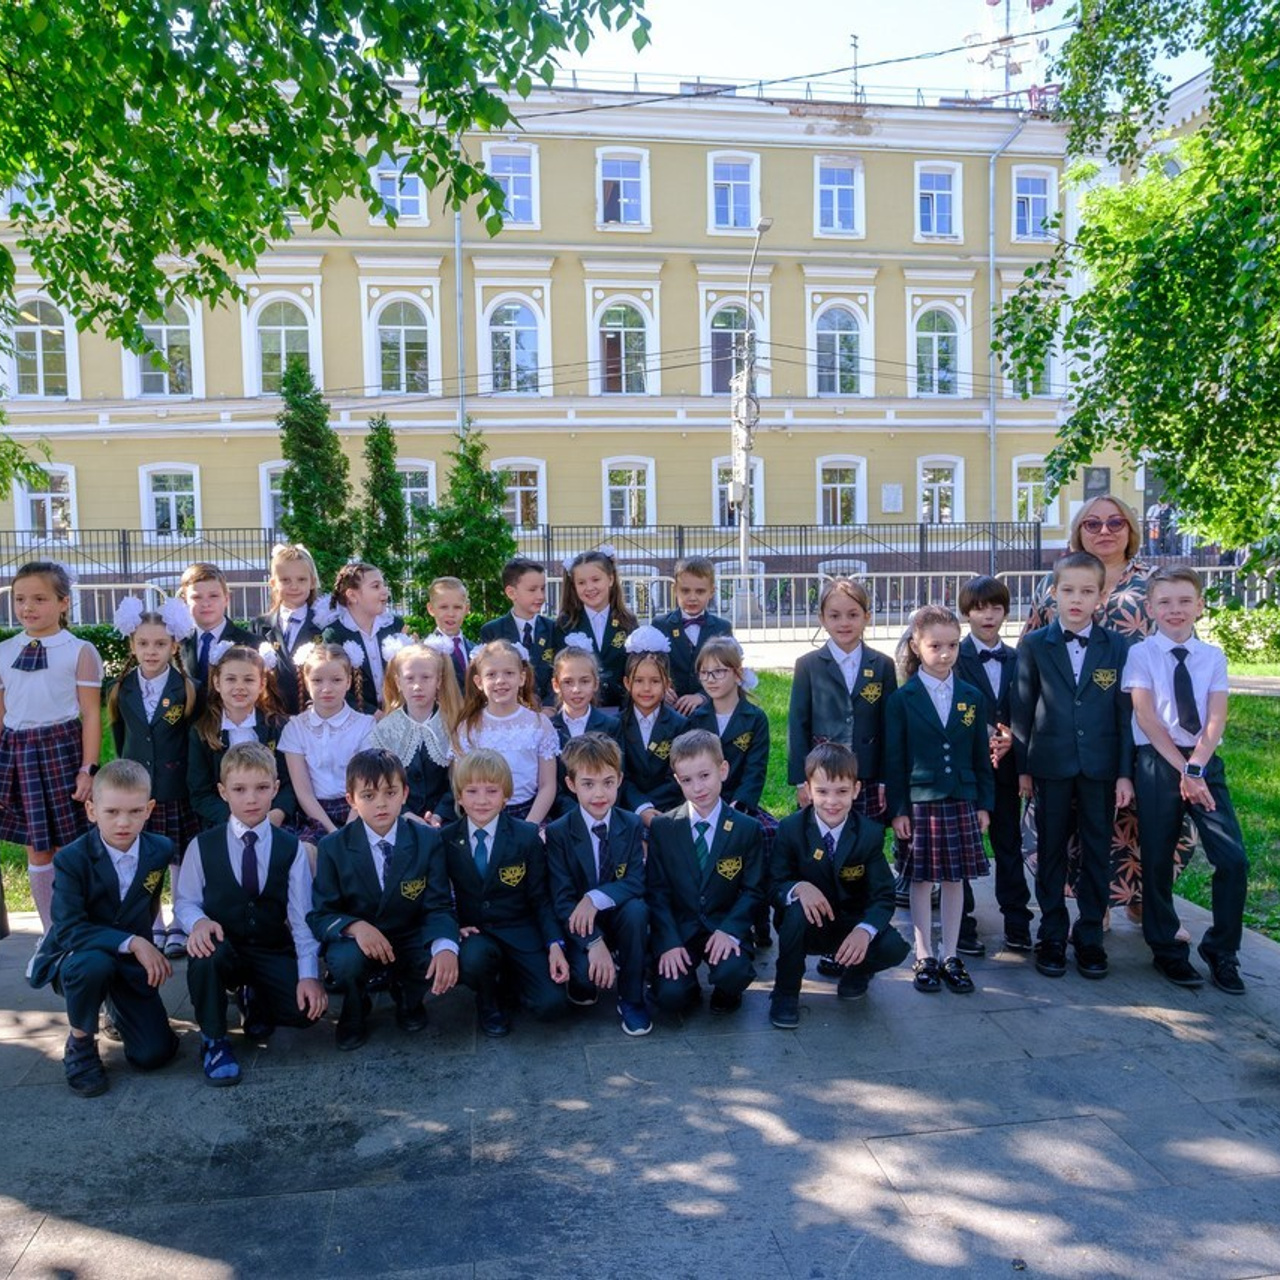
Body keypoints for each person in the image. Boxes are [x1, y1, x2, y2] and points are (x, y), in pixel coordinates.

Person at [1022, 493, 1186, 919]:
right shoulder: (1053, 582)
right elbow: (1031, 647)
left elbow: (1179, 643)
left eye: (1115, 523)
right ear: (1079, 531)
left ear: (1130, 529)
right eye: (1092, 524)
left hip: (1142, 714)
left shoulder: (1153, 580)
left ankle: (1141, 901)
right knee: (1077, 817)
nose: (1105, 531)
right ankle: (1096, 908)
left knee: (1140, 810)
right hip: (1068, 722)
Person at [1124, 567, 1248, 994]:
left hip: (1203, 762)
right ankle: (1166, 948)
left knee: (1233, 859)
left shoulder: (1212, 656)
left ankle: (1222, 950)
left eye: (1183, 601)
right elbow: (1146, 716)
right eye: (1164, 602)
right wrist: (1181, 769)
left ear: (1199, 605)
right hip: (1158, 763)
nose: (1174, 610)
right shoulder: (1141, 654)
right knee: (1157, 858)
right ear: (1150, 608)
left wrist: (1196, 769)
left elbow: (1215, 717)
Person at [1012, 551, 1135, 981]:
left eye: (1087, 591)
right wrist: (1023, 768)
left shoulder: (1117, 646)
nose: (1076, 599)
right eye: (1068, 591)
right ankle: (1050, 932)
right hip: (1050, 764)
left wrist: (1123, 772)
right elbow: (1022, 708)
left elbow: (1124, 714)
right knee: (1051, 852)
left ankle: (1089, 937)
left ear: (1102, 596)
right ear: (1054, 593)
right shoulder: (1033, 644)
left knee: (1097, 850)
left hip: (1101, 768)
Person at [175, 743, 328, 1085]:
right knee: (204, 955)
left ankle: (254, 994)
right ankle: (214, 1040)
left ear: (275, 788)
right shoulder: (202, 845)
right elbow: (184, 901)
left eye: (261, 788)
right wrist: (197, 923)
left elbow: (302, 917)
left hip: (269, 947)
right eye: (240, 790)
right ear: (223, 792)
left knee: (304, 1014)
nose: (251, 799)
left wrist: (308, 975)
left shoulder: (291, 848)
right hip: (223, 946)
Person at [28, 760, 180, 1096]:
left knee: (154, 1054)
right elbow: (68, 929)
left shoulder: (160, 850)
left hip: (126, 960)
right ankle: (81, 1043)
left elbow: (146, 904)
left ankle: (118, 1006)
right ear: (92, 810)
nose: (123, 822)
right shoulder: (71, 859)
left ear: (149, 809)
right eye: (111, 812)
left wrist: (138, 948)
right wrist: (137, 943)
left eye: (134, 811)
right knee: (94, 964)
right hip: (80, 954)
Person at [308, 749, 460, 1050]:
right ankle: (355, 1007)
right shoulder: (333, 847)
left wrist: (446, 946)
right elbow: (321, 914)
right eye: (368, 795)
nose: (381, 803)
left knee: (438, 953)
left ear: (404, 794)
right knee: (346, 962)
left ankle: (408, 997)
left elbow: (439, 904)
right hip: (357, 940)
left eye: (390, 792)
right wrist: (355, 927)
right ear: (351, 799)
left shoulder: (426, 840)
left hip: (407, 933)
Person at [885, 606, 995, 996]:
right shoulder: (903, 699)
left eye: (952, 645)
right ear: (916, 645)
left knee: (955, 879)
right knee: (921, 878)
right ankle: (924, 953)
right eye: (935, 645)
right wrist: (898, 809)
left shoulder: (971, 696)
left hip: (961, 798)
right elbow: (894, 760)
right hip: (921, 800)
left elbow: (981, 755)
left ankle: (951, 954)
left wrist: (983, 802)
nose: (945, 653)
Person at [768, 743, 909, 1029]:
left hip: (849, 924)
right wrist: (796, 888)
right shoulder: (791, 829)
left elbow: (883, 895)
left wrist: (864, 931)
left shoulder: (868, 833)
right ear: (807, 790)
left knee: (894, 947)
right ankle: (785, 992)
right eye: (822, 791)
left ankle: (857, 972)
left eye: (842, 791)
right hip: (807, 926)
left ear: (856, 790)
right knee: (795, 912)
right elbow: (773, 883)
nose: (832, 801)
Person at [0, 560, 103, 933]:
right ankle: (50, 932)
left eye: (40, 598)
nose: (28, 607)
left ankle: (77, 924)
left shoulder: (79, 651)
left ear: (63, 603)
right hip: (18, 753)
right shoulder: (4, 650)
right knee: (36, 845)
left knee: (68, 846)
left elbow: (91, 715)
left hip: (61, 749)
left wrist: (87, 769)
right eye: (20, 598)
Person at [438, 749, 569, 1037]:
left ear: (506, 795)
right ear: (459, 797)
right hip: (476, 934)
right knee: (474, 959)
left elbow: (540, 898)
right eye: (471, 791)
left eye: (491, 790)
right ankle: (488, 1000)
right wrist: (454, 928)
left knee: (552, 1006)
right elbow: (437, 898)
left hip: (520, 930)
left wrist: (555, 944)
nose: (482, 800)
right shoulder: (446, 840)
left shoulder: (525, 836)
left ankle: (510, 980)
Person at [646, 729, 764, 1023]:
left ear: (723, 770)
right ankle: (686, 987)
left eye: (705, 775)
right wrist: (669, 942)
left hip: (723, 924)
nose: (698, 787)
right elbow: (657, 892)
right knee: (670, 998)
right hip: (682, 928)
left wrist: (731, 930)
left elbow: (754, 890)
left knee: (732, 974)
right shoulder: (664, 828)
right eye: (687, 780)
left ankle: (727, 991)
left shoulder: (746, 828)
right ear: (677, 781)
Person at [108, 597, 199, 956]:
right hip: (137, 793)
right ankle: (153, 922)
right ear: (132, 644)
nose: (151, 651)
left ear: (174, 645)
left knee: (177, 857)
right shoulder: (121, 689)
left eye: (160, 644)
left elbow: (190, 741)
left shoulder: (187, 689)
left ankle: (179, 922)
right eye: (143, 643)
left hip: (175, 789)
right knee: (145, 858)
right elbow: (119, 738)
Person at [544, 734, 649, 1033]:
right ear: (571, 785)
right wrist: (594, 942)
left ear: (620, 780)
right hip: (579, 927)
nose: (599, 793)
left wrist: (595, 898)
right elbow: (562, 899)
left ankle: (631, 998)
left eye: (607, 782)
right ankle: (589, 969)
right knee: (583, 981)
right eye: (588, 784)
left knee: (637, 910)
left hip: (619, 917)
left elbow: (636, 881)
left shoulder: (630, 824)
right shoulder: (559, 832)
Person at [955, 576, 1032, 953]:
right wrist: (983, 735)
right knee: (965, 843)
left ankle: (1017, 918)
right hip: (968, 767)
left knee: (1009, 842)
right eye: (979, 608)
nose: (988, 615)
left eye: (996, 607)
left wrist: (1014, 740)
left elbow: (1030, 708)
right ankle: (962, 920)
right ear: (966, 612)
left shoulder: (1019, 657)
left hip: (1007, 768)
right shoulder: (956, 656)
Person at [689, 635, 774, 948]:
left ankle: (759, 914)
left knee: (764, 836)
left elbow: (756, 769)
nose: (711, 679)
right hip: (704, 802)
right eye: (705, 673)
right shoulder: (696, 719)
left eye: (719, 672)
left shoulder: (755, 718)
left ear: (737, 673)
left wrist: (740, 805)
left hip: (741, 803)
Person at [788, 577, 897, 820]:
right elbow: (798, 724)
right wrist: (800, 780)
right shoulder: (808, 665)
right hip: (823, 774)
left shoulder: (882, 665)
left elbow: (889, 726)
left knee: (866, 836)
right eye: (835, 616)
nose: (844, 623)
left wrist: (885, 779)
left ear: (866, 617)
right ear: (822, 619)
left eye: (853, 614)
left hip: (866, 774)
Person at [188, 643, 295, 831]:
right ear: (217, 683)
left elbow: (289, 783)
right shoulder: (202, 732)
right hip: (223, 824)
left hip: (273, 822)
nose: (239, 687)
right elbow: (200, 793)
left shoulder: (278, 727)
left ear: (262, 684)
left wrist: (277, 814)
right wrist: (234, 821)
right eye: (231, 679)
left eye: (248, 680)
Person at [451, 639, 559, 824]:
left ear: (522, 678)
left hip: (530, 814)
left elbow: (547, 785)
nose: (500, 681)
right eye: (491, 674)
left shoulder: (539, 724)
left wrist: (529, 826)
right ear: (478, 681)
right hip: (482, 815)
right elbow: (461, 784)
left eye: (509, 673)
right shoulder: (468, 728)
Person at [280, 642, 375, 842]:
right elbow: (303, 791)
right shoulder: (295, 729)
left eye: (336, 680)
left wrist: (349, 830)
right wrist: (333, 832)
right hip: (314, 812)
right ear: (306, 682)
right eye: (317, 680)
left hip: (358, 809)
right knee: (307, 853)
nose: (326, 689)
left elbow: (365, 783)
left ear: (349, 681)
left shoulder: (366, 726)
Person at [368, 638, 460, 824]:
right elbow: (381, 782)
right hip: (400, 820)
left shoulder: (453, 723)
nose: (417, 686)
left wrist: (439, 814)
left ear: (439, 681)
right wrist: (405, 813)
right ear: (399, 682)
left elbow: (459, 779)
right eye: (409, 678)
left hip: (447, 820)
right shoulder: (386, 730)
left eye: (426, 677)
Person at [617, 627, 688, 822]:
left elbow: (679, 775)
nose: (646, 688)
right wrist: (641, 807)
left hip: (670, 810)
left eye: (655, 681)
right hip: (628, 810)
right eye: (639, 681)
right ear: (627, 683)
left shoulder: (680, 725)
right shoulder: (616, 725)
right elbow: (619, 774)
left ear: (667, 684)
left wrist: (653, 808)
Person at [547, 638, 622, 816]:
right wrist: (576, 814)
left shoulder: (611, 726)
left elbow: (618, 775)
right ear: (556, 685)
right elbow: (550, 783)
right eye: (568, 682)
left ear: (595, 683)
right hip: (562, 818)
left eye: (584, 681)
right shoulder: (548, 728)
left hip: (604, 812)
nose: (576, 689)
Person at [556, 548, 637, 709]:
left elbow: (633, 667)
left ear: (611, 579)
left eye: (595, 580)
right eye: (581, 583)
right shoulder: (565, 624)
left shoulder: (627, 621)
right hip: (581, 709)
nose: (589, 587)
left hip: (621, 709)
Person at [319, 560, 403, 714]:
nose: (385, 592)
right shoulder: (334, 634)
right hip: (355, 719)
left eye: (383, 585)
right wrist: (372, 713)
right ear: (352, 595)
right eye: (376, 586)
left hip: (395, 713)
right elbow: (334, 684)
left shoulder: (394, 626)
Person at [652, 556, 733, 715]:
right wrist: (661, 687)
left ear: (712, 592)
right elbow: (651, 666)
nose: (692, 597)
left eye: (700, 591)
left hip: (709, 711)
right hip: (670, 710)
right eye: (685, 590)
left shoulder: (722, 628)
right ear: (675, 589)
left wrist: (702, 697)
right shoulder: (660, 625)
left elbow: (729, 674)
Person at [252, 543, 324, 715]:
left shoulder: (323, 626)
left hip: (312, 714)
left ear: (312, 582)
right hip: (271, 715)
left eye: (301, 579)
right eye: (285, 580)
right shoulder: (259, 625)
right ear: (273, 583)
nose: (294, 586)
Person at [480, 558, 563, 704]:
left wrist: (550, 706)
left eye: (542, 589)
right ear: (511, 593)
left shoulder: (553, 628)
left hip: (547, 711)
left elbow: (560, 673)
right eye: (532, 590)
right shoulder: (493, 631)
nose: (540, 596)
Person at [177, 561, 256, 701]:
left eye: (213, 596)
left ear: (226, 599)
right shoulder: (176, 643)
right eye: (196, 597)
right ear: (185, 601)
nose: (206, 603)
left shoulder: (251, 643)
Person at [425, 576, 476, 694]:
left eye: (457, 607)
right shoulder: (426, 650)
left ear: (466, 609)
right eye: (443, 607)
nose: (451, 614)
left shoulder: (476, 649)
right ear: (431, 609)